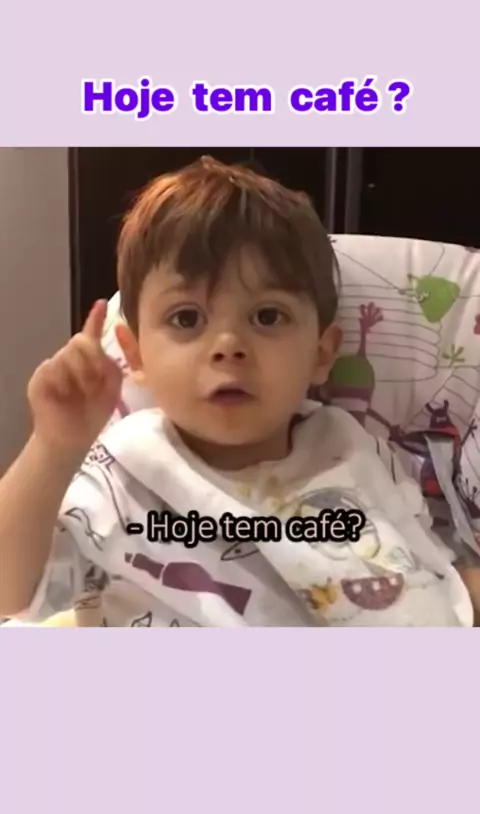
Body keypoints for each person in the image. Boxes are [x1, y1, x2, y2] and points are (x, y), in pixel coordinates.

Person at [0, 157, 476, 627]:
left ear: (321, 353)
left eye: (267, 316)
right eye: (187, 318)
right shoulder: (123, 473)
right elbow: (10, 590)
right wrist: (53, 446)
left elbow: (429, 576)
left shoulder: (352, 447)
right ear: (135, 355)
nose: (228, 345)